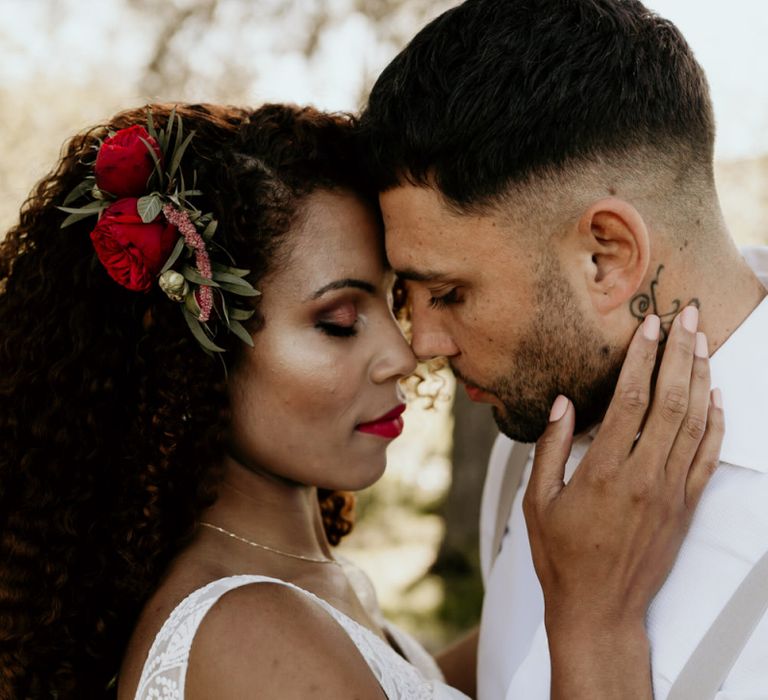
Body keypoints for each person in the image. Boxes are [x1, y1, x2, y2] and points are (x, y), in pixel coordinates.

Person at [0, 102, 720, 700]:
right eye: (339, 322)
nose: (404, 355)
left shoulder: (305, 589)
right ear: (192, 362)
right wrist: (597, 624)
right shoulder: (246, 640)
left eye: (394, 302)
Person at [359, 0, 768, 698]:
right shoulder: (533, 431)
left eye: (450, 292)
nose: (420, 343)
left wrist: (597, 634)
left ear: (605, 257)